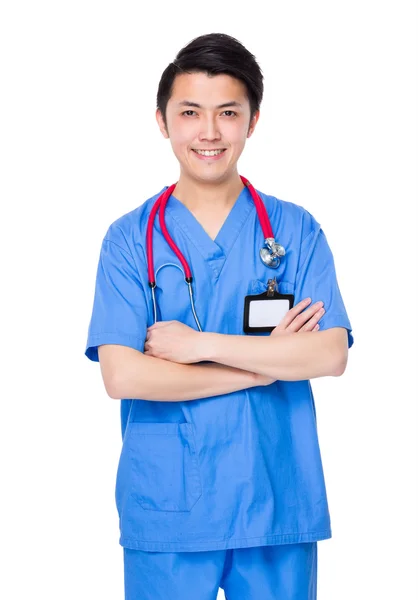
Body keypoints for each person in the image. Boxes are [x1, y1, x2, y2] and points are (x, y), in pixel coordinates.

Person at [85, 32, 354, 600]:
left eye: (227, 113)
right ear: (163, 121)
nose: (209, 133)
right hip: (169, 511)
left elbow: (329, 355)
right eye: (190, 113)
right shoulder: (131, 240)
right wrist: (263, 368)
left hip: (275, 499)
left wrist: (199, 344)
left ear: (252, 121)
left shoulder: (296, 231)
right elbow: (124, 376)